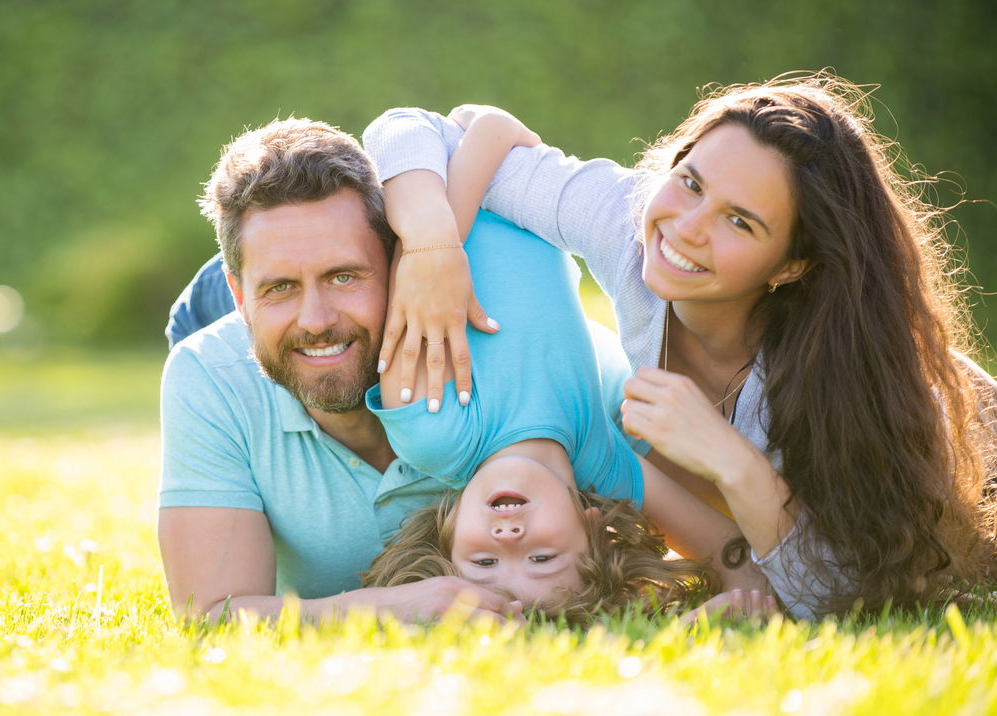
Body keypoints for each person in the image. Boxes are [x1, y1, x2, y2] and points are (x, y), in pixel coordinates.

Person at [363, 72, 997, 618]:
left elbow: (838, 593)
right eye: (692, 184)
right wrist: (431, 250)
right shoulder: (631, 222)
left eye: (739, 221)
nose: (686, 230)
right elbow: (414, 131)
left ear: (792, 266)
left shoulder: (826, 384)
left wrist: (729, 457)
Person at [159, 117, 519, 624]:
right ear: (239, 296)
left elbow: (478, 126)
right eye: (279, 286)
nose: (317, 320)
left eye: (343, 275)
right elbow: (211, 616)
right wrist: (397, 608)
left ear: (398, 263)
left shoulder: (499, 341)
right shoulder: (207, 373)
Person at [359, 209, 719, 616]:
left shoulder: (434, 432)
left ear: (451, 531)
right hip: (531, 185)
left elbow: (422, 255)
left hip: (433, 178)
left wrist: (490, 148)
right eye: (542, 558)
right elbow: (730, 552)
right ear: (594, 528)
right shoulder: (606, 463)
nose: (509, 536)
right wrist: (710, 611)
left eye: (485, 563)